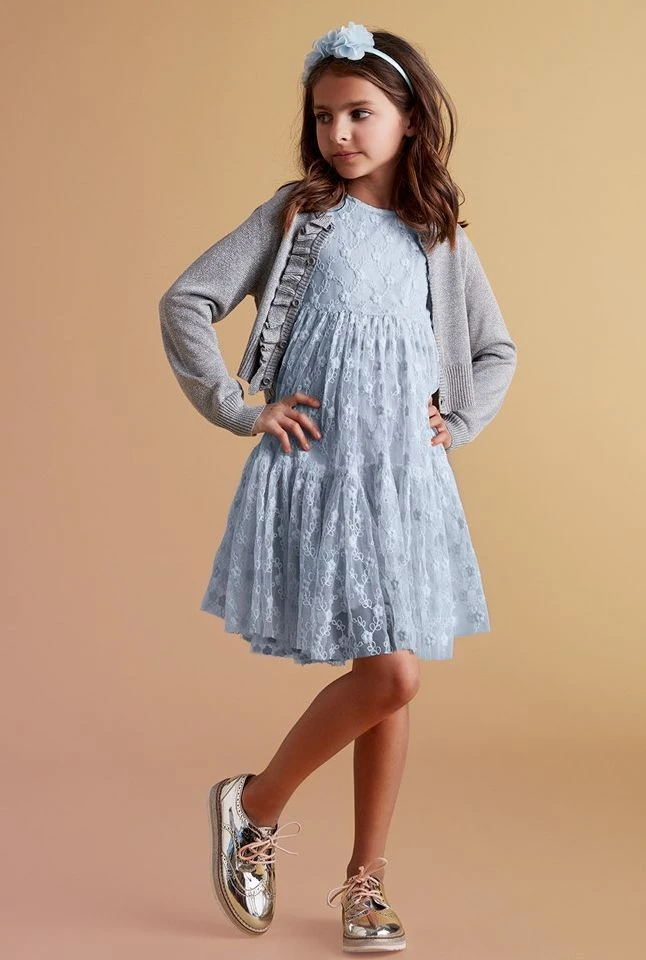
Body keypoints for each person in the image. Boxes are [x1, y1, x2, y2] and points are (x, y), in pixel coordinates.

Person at [158, 21, 517, 953]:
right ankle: (255, 804)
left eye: (360, 113)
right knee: (392, 676)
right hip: (322, 475)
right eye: (323, 117)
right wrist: (241, 408)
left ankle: (364, 884)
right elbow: (187, 300)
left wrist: (456, 425)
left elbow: (494, 350)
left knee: (387, 680)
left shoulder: (438, 237)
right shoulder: (300, 216)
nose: (339, 134)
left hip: (402, 485)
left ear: (409, 118)